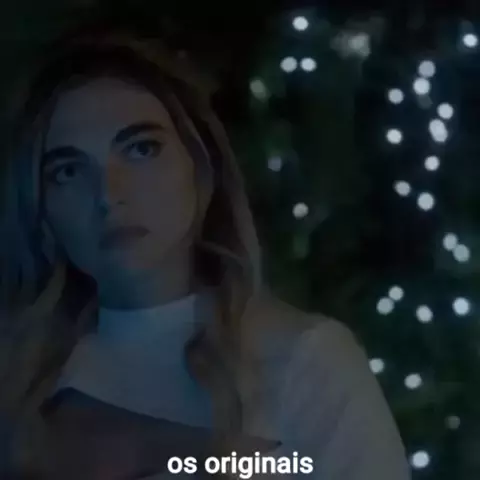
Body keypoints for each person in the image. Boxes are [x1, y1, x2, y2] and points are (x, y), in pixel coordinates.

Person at [0, 22, 411, 480]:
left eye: (141, 149)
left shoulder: (305, 360)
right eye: (68, 171)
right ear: (39, 206)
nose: (108, 194)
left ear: (200, 166)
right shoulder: (19, 379)